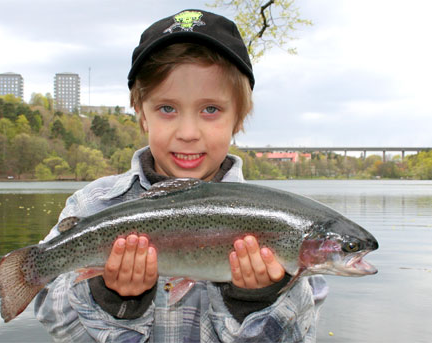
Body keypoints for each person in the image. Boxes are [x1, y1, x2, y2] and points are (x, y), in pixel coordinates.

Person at [35, 9, 328, 342]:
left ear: (239, 120)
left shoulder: (283, 225)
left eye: (210, 110)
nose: (188, 132)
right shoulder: (92, 205)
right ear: (142, 116)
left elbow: (299, 336)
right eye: (167, 109)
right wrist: (113, 299)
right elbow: (54, 318)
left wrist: (256, 300)